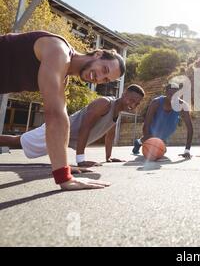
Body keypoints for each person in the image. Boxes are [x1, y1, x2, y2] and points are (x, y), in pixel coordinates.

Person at [0, 31, 125, 190]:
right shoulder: (58, 51)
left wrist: (63, 165)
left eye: (105, 80)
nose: (99, 78)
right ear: (98, 54)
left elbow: (62, 121)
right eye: (104, 70)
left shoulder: (63, 78)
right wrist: (65, 177)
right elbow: (54, 116)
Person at [0, 85, 145, 168]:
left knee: (18, 143)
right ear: (124, 93)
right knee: (16, 142)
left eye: (136, 103)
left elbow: (110, 134)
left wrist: (109, 157)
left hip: (64, 140)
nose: (132, 105)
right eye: (131, 99)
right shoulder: (104, 103)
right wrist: (80, 160)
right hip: (57, 131)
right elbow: (85, 128)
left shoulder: (116, 114)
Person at [132, 83, 193, 159]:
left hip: (167, 131)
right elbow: (146, 124)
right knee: (155, 148)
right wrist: (149, 141)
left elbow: (190, 128)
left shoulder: (183, 105)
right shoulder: (156, 103)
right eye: (170, 94)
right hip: (153, 129)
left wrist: (187, 150)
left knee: (161, 150)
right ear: (166, 93)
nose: (172, 97)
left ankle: (141, 141)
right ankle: (139, 142)